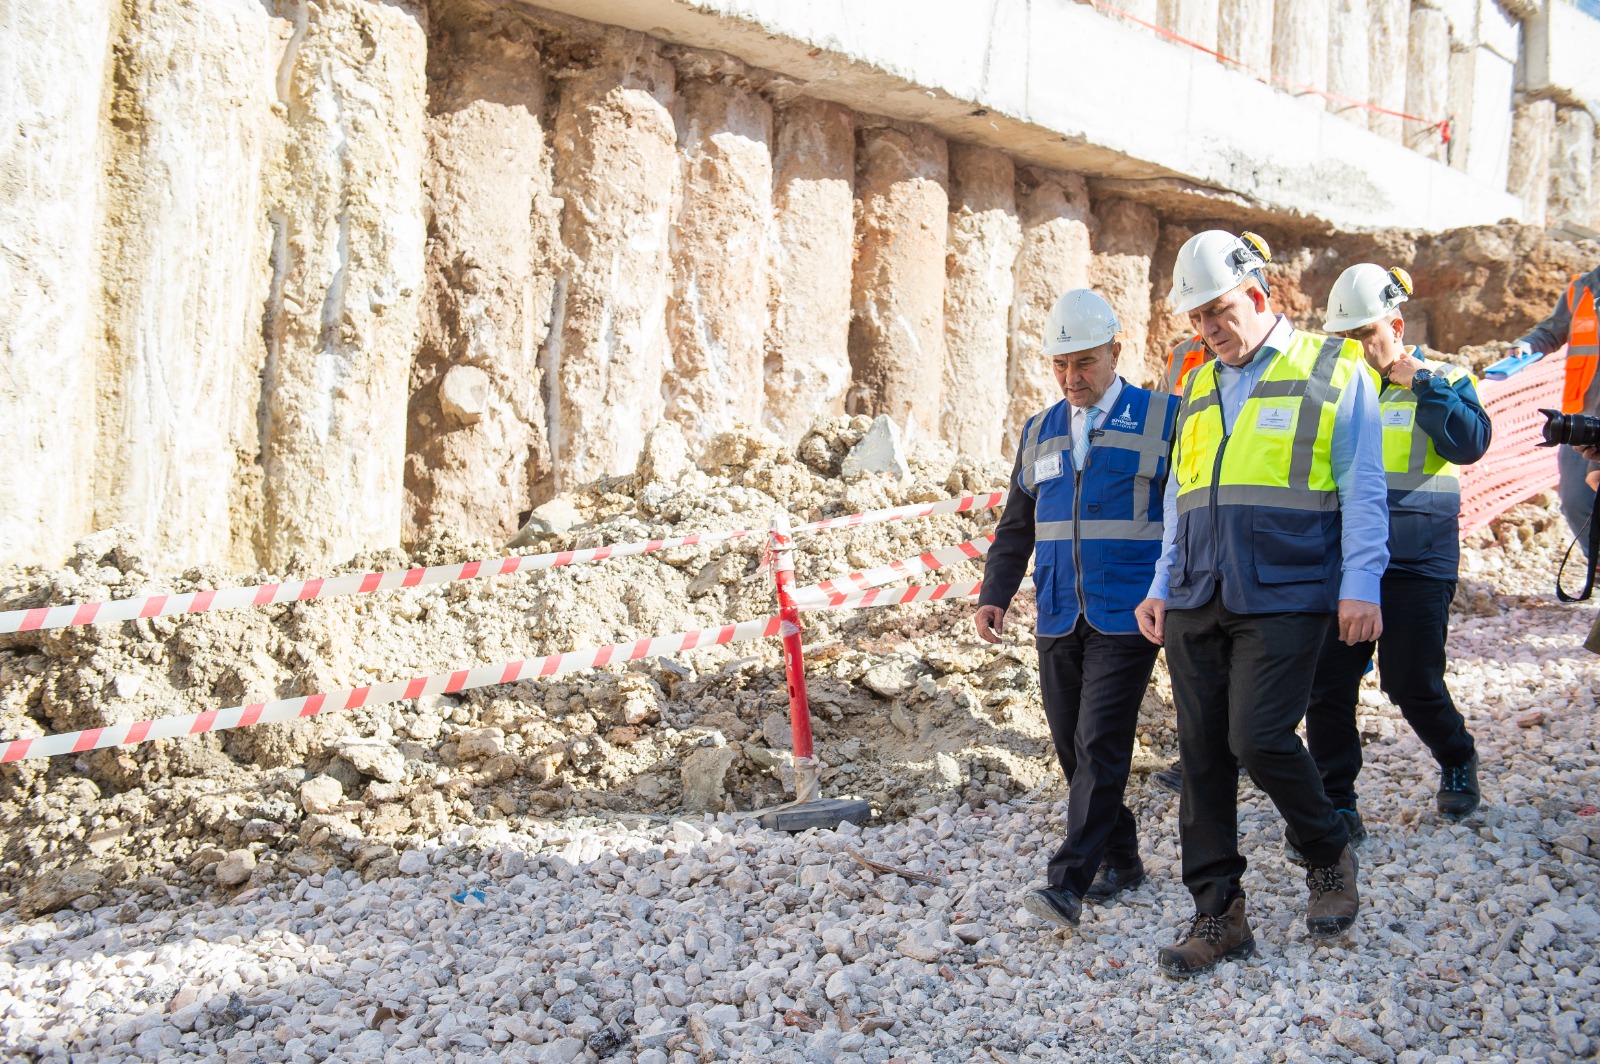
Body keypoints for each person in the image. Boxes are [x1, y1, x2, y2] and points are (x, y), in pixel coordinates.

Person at [1133, 230, 1389, 978]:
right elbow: (1182, 495)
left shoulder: (1334, 367)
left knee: (1260, 737)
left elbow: (1363, 487)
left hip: (1287, 589)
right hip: (1197, 594)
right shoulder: (1201, 383)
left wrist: (1362, 582)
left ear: (1258, 293)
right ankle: (1219, 913)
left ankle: (1325, 851)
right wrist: (1159, 584)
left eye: (1218, 311)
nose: (1210, 329)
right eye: (1197, 319)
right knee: (1204, 755)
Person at [976, 289, 1179, 928]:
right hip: (1059, 612)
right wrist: (994, 595)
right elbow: (1017, 527)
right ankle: (1122, 856)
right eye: (1060, 365)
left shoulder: (1163, 418)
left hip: (1130, 612)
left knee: (1099, 742)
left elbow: (1188, 516)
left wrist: (1178, 592)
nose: (1071, 378)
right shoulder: (1039, 430)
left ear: (1116, 351)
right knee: (1070, 747)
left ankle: (1067, 882)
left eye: (1085, 363)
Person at [1298, 264, 1492, 851]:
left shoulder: (1448, 377)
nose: (1356, 348)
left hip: (1417, 560)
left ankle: (1457, 755)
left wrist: (1422, 384)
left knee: (1410, 681)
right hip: (1350, 559)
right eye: (1345, 337)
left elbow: (1470, 443)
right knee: (1327, 685)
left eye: (1366, 335)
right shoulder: (1330, 388)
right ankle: (1338, 804)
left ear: (1397, 326)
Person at [1507, 269, 1600, 554]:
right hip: (1581, 419)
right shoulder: (1582, 288)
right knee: (1575, 501)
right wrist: (1528, 345)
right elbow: (1551, 331)